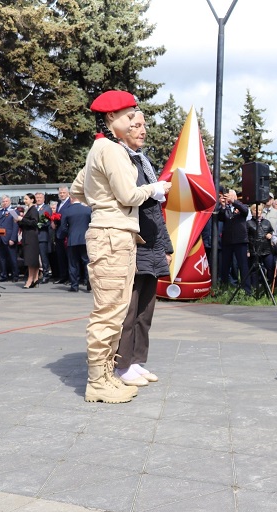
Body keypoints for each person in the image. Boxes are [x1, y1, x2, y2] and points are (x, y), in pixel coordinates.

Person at [70, 90, 171, 404]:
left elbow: (77, 188)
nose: (133, 123)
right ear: (111, 117)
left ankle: (104, 377)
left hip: (114, 233)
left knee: (114, 312)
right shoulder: (112, 149)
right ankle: (97, 382)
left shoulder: (101, 147)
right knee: (109, 313)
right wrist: (154, 188)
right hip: (113, 235)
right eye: (129, 117)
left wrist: (100, 203)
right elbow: (129, 195)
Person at [113, 110, 173, 387]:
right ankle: (122, 365)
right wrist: (153, 189)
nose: (143, 130)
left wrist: (166, 247)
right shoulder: (120, 157)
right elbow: (129, 196)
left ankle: (136, 361)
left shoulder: (142, 159)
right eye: (136, 125)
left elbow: (155, 213)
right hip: (134, 242)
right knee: (130, 308)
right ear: (122, 128)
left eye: (144, 126)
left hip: (152, 244)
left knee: (145, 310)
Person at [219, 189, 251, 294]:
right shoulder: (226, 208)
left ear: (235, 197)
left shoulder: (241, 206)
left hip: (240, 241)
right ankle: (223, 288)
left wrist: (234, 202)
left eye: (230, 196)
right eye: (227, 196)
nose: (228, 198)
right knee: (225, 266)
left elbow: (245, 211)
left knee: (243, 265)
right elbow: (220, 217)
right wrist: (223, 206)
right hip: (227, 241)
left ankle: (247, 290)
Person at [57, 194, 91, 292]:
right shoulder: (87, 210)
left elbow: (63, 227)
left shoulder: (67, 211)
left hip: (72, 240)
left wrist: (70, 233)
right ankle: (89, 283)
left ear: (71, 199)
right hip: (85, 239)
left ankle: (74, 285)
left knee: (73, 263)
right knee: (87, 262)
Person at [246, 202, 275, 292]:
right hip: (254, 249)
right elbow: (246, 237)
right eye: (255, 210)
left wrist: (270, 234)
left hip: (266, 249)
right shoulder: (248, 223)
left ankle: (268, 286)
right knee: (255, 270)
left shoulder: (267, 222)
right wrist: (247, 250)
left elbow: (272, 231)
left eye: (259, 210)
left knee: (270, 267)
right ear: (252, 211)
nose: (257, 211)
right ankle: (255, 287)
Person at [16, 193, 42, 289]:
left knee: (31, 259)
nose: (24, 201)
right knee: (31, 259)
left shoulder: (33, 210)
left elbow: (34, 223)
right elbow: (26, 224)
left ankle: (30, 279)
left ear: (32, 200)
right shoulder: (28, 209)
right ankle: (35, 278)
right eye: (24, 199)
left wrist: (22, 219)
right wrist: (19, 221)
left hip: (31, 237)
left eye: (26, 199)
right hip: (27, 236)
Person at [0, 195, 20, 282]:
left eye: (6, 201)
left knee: (12, 258)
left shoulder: (14, 211)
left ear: (10, 202)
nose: (4, 203)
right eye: (3, 201)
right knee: (2, 259)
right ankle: (3, 275)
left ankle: (15, 275)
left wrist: (13, 238)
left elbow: (16, 226)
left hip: (10, 238)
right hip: (0, 239)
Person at [51, 186, 71, 284]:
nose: (62, 194)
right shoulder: (59, 204)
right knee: (61, 256)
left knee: (69, 257)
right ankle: (63, 276)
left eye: (63, 193)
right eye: (60, 193)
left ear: (68, 193)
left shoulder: (70, 203)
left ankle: (71, 277)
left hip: (67, 234)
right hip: (58, 233)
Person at [33, 192, 52, 282]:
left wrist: (35, 224)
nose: (38, 199)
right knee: (34, 257)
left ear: (44, 199)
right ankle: (35, 275)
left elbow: (46, 222)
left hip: (42, 236)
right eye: (37, 197)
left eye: (40, 197)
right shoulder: (33, 208)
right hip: (33, 236)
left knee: (44, 257)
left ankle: (46, 275)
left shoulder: (47, 208)